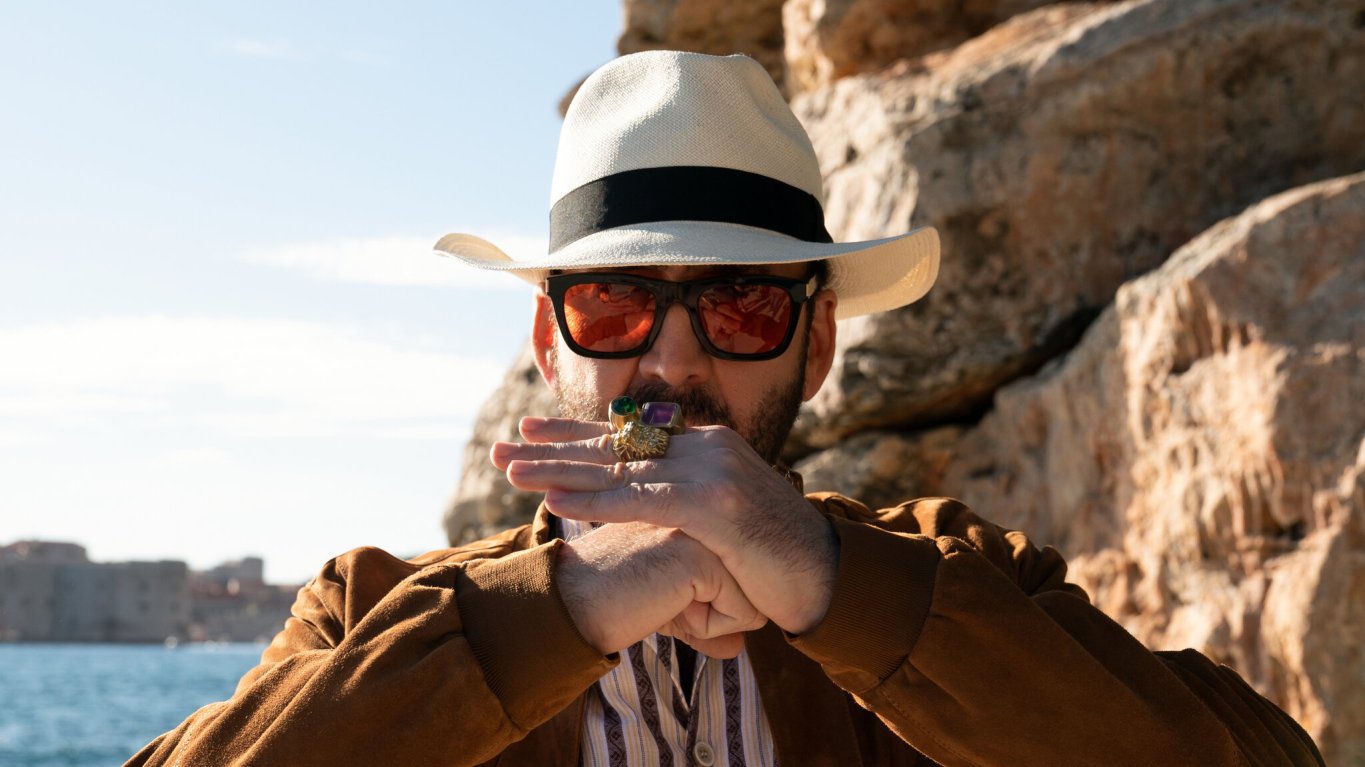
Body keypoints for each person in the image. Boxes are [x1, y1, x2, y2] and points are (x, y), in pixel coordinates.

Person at [127, 51, 1324, 767]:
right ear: (550, 343)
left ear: (817, 343)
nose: (675, 363)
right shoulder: (368, 610)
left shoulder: (962, 581)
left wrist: (829, 579)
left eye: (741, 304)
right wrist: (566, 605)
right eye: (616, 303)